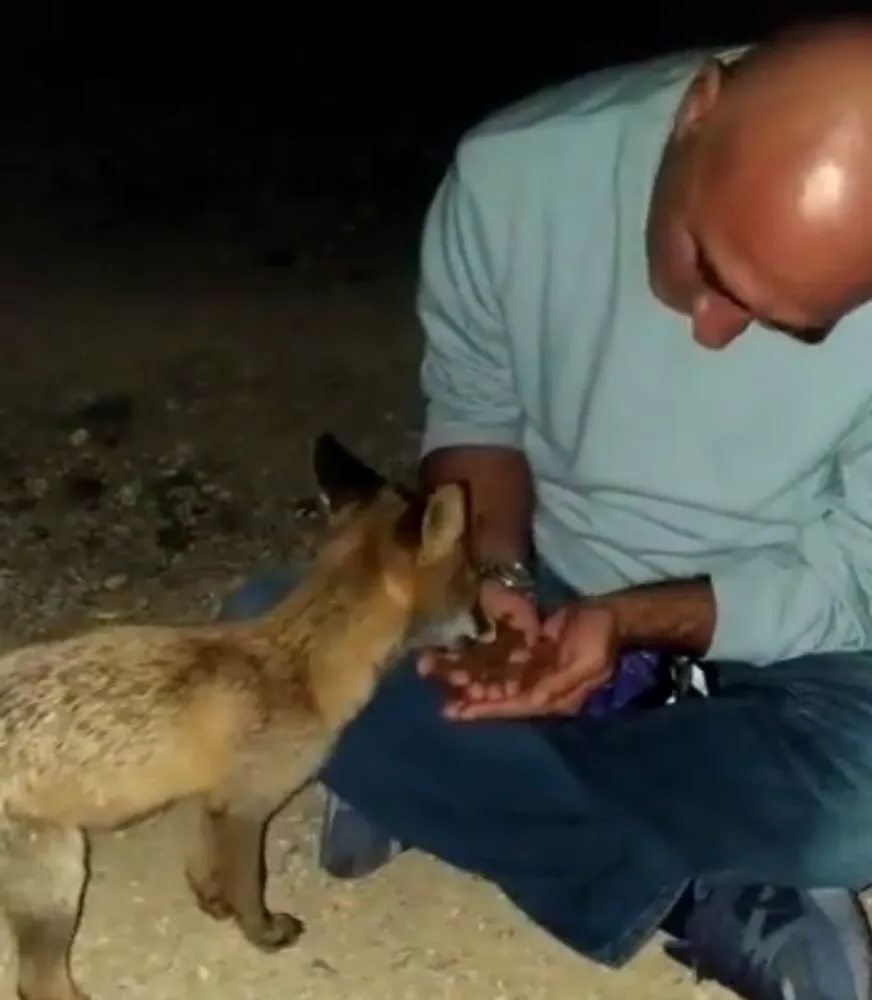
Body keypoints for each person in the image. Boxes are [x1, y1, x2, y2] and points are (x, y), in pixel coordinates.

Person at [221, 19, 872, 1000]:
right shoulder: (511, 176)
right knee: (257, 638)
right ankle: (696, 866)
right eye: (706, 263)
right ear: (697, 109)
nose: (710, 333)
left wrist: (631, 622)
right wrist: (500, 582)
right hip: (557, 564)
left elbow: (850, 575)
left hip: (790, 613)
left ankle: (464, 777)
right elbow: (476, 413)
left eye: (788, 325)